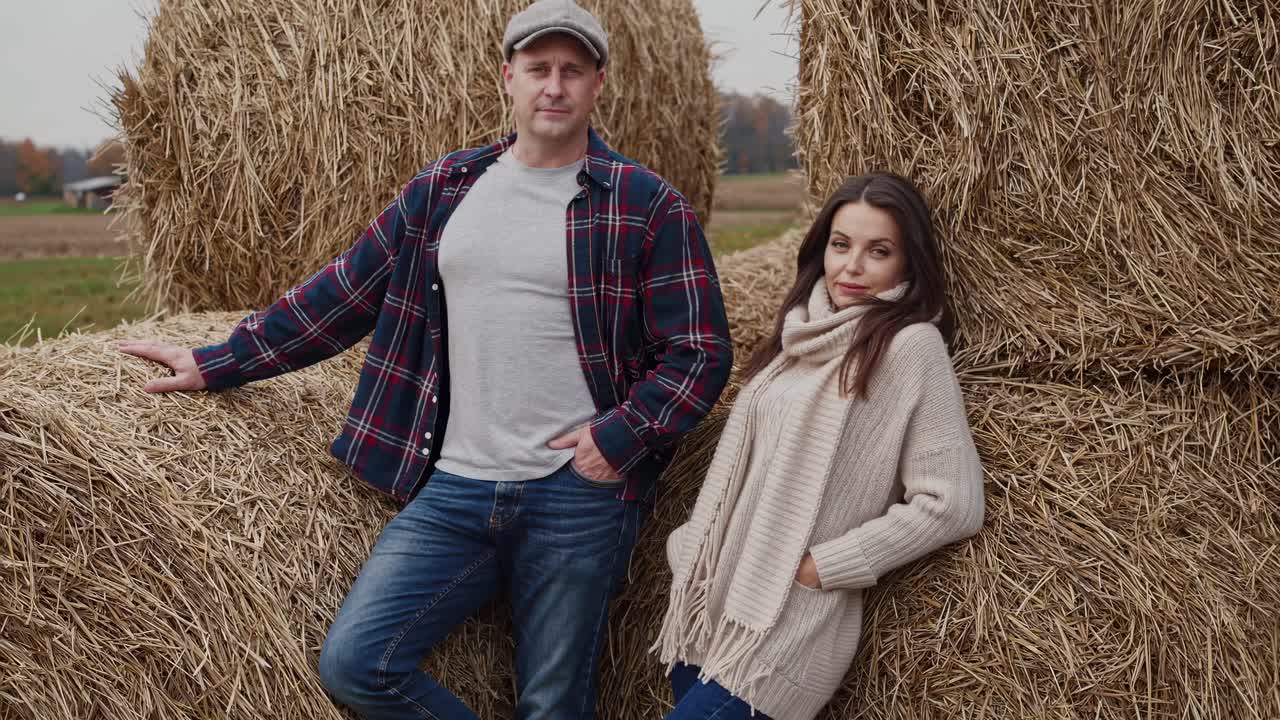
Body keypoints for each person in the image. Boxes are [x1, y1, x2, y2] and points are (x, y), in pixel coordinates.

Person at [118, 1, 733, 717]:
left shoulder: (645, 205)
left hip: (576, 496)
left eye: (572, 70)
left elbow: (699, 353)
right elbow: (342, 295)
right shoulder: (445, 190)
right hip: (454, 489)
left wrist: (615, 440)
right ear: (509, 78)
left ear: (600, 82)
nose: (554, 86)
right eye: (538, 69)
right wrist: (218, 362)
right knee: (357, 664)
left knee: (553, 703)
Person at [652, 172, 985, 720]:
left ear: (909, 262)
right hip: (709, 612)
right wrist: (690, 544)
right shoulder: (799, 333)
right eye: (840, 244)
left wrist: (827, 565)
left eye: (878, 251)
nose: (852, 267)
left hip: (784, 632)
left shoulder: (910, 347)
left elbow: (953, 503)